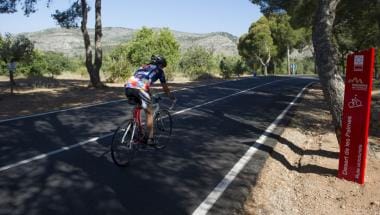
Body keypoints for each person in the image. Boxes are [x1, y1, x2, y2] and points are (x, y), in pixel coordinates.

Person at [124, 55, 176, 149]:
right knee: (149, 112)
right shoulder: (159, 71)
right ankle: (150, 139)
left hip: (128, 87)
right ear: (160, 65)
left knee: (139, 105)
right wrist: (171, 97)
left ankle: (135, 126)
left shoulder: (143, 67)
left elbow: (142, 80)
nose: (162, 68)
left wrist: (149, 93)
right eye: (163, 66)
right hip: (140, 88)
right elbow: (165, 88)